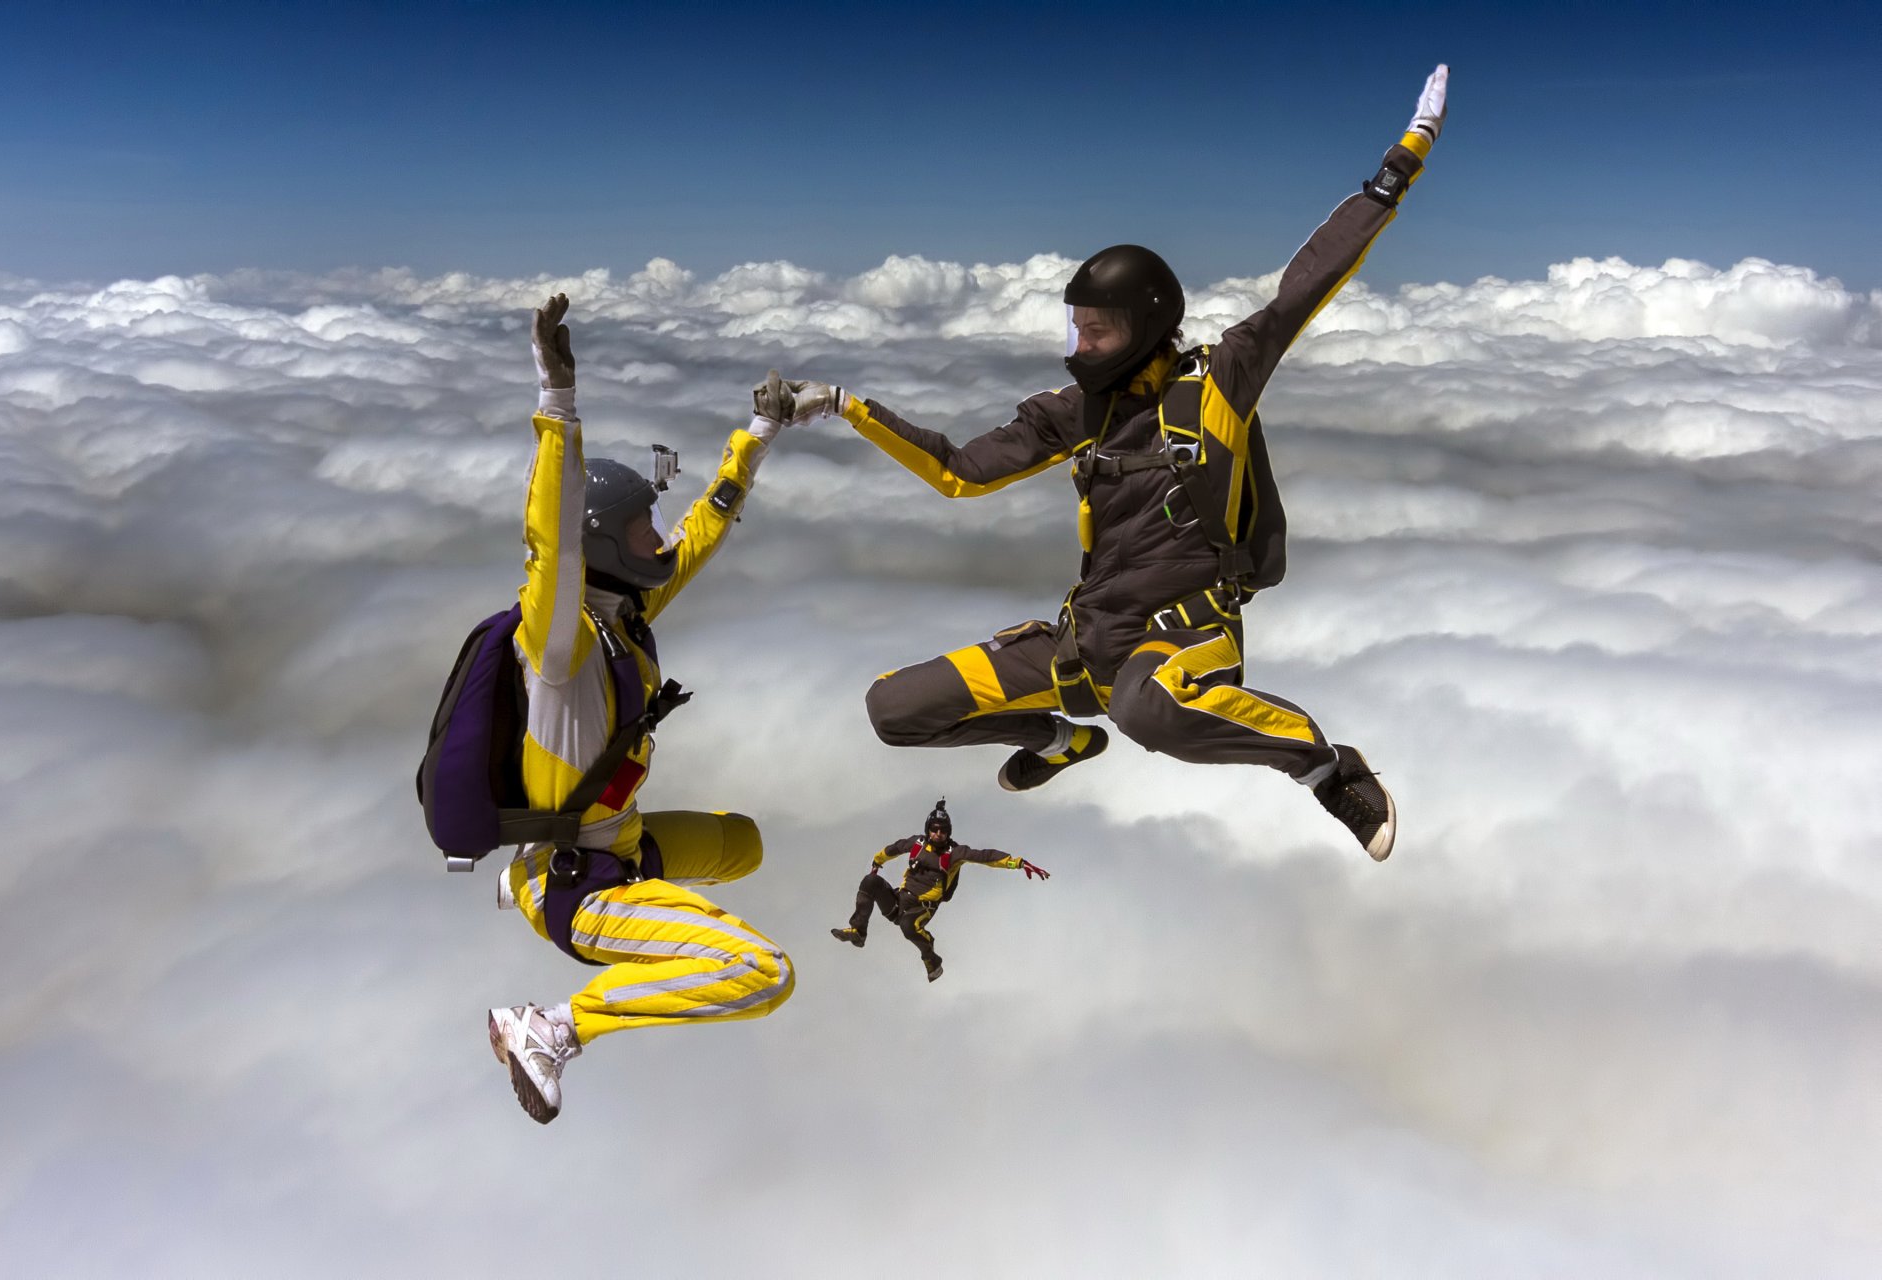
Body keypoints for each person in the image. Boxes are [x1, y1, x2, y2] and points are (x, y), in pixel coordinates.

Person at [763, 66, 1450, 864]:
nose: (1079, 346)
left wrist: (1400, 163)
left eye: (1097, 332)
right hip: (1083, 640)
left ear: (1146, 328)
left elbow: (1306, 284)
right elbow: (958, 471)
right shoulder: (1072, 412)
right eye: (1076, 328)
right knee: (895, 710)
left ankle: (1331, 771)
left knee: (1147, 708)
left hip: (1182, 630)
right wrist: (849, 405)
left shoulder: (1217, 383)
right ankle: (1059, 741)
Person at [485, 295, 797, 1124]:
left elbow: (693, 540)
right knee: (763, 973)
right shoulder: (560, 643)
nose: (657, 538)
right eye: (641, 529)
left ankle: (645, 892)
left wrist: (753, 443)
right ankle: (552, 1027)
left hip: (608, 842)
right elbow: (552, 539)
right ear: (604, 547)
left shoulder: (618, 619)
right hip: (577, 885)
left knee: (745, 847)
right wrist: (557, 401)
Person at [830, 799, 1049, 983]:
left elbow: (986, 856)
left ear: (948, 832)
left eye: (943, 831)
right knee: (870, 882)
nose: (938, 834)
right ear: (928, 829)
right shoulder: (917, 843)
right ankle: (858, 932)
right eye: (934, 829)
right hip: (898, 902)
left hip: (921, 908)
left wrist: (1018, 863)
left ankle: (931, 958)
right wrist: (878, 861)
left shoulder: (954, 853)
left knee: (908, 927)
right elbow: (895, 848)